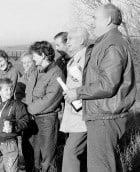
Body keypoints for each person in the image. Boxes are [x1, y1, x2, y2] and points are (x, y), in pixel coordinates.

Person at [63, 4, 136, 172]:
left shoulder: (112, 45)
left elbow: (108, 85)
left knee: (100, 167)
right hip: (102, 115)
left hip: (105, 117)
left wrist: (78, 92)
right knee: (105, 164)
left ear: (108, 19)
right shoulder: (106, 43)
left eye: (95, 18)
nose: (93, 22)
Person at [23, 41, 65, 172]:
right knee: (32, 153)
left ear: (44, 55)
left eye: (35, 55)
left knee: (47, 155)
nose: (33, 58)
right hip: (31, 119)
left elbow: (50, 99)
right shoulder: (34, 70)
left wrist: (29, 109)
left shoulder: (56, 73)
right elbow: (27, 90)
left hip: (46, 119)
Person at [59, 27, 90, 172]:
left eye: (71, 38)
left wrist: (75, 93)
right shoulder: (74, 60)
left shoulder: (86, 59)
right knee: (77, 154)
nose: (67, 41)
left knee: (71, 152)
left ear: (82, 40)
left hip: (82, 116)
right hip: (74, 115)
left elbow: (89, 86)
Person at [0, 78, 29, 172]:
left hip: (10, 144)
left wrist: (14, 126)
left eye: (11, 89)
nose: (10, 91)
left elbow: (25, 121)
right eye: (6, 89)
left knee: (11, 169)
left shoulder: (18, 105)